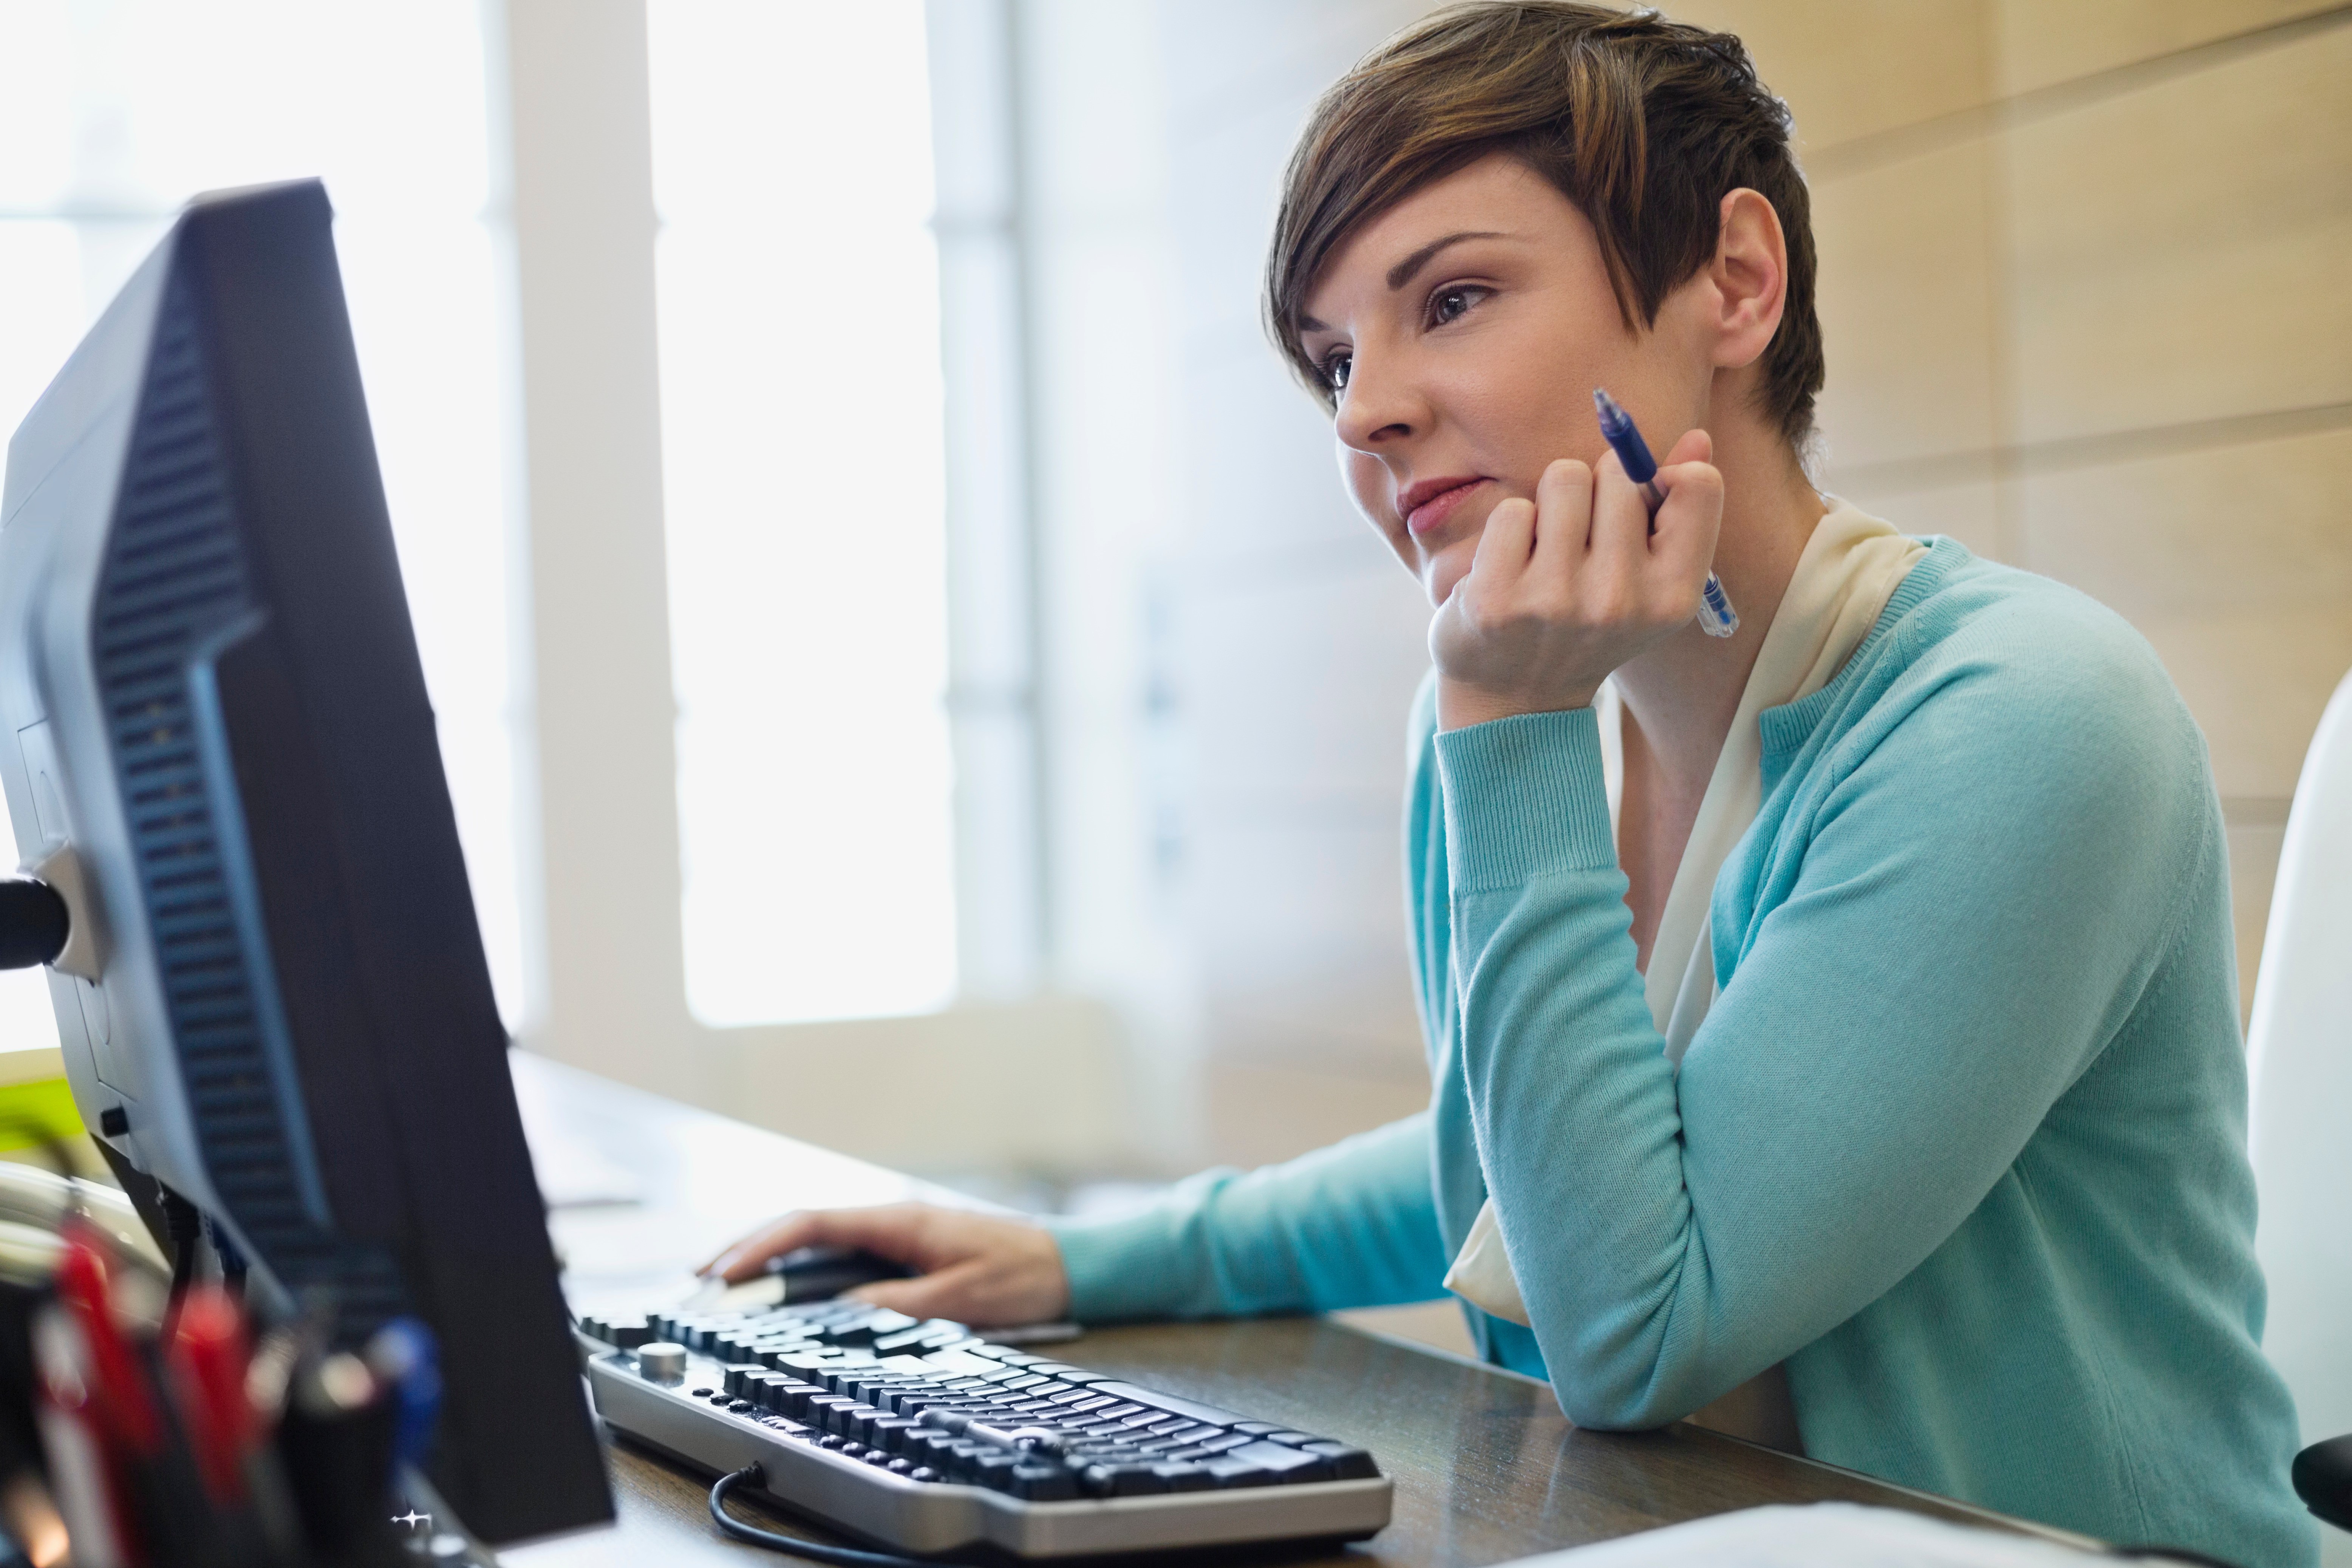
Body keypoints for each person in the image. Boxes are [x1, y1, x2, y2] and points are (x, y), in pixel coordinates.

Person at [705, 5, 2313, 1560]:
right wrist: (1080, 1254)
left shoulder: (2018, 717)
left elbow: (1632, 1336)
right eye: (1334, 356)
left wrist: (1503, 723)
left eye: (1454, 299)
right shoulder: (1520, 710)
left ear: (1734, 283)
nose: (1368, 409)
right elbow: (1524, 1175)